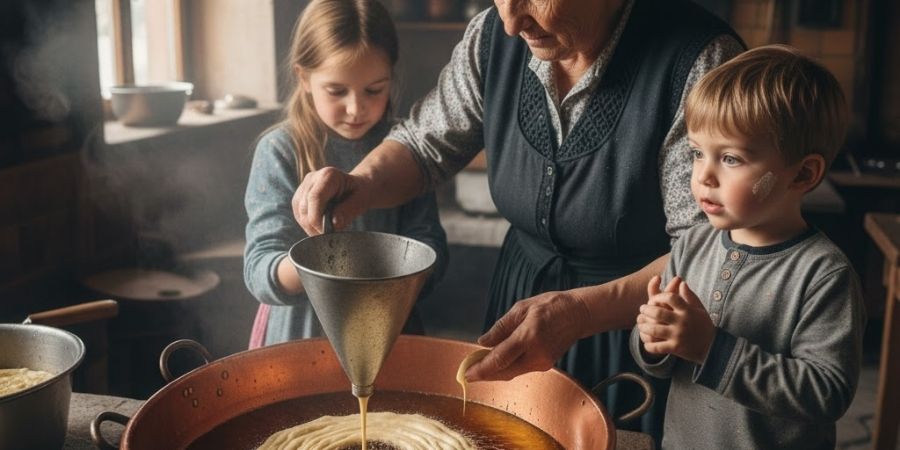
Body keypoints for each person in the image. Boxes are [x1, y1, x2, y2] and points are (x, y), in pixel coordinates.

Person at [293, 0, 745, 439]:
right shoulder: (492, 35)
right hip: (521, 296)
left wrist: (583, 311)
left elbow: (710, 250)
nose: (510, 22)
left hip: (643, 329)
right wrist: (361, 182)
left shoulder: (700, 60)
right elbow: (426, 145)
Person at [630, 44, 865, 449]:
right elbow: (665, 363)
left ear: (803, 174)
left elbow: (828, 392)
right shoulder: (692, 245)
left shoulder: (823, 275)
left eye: (732, 159)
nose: (704, 176)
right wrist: (653, 340)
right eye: (697, 152)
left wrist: (711, 347)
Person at [243, 0, 448, 348]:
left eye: (374, 90)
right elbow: (260, 270)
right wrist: (327, 270)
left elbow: (432, 249)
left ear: (391, 78)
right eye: (336, 91)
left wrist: (394, 277)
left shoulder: (405, 150)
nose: (356, 108)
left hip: (391, 334)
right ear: (303, 77)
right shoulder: (279, 150)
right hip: (300, 341)